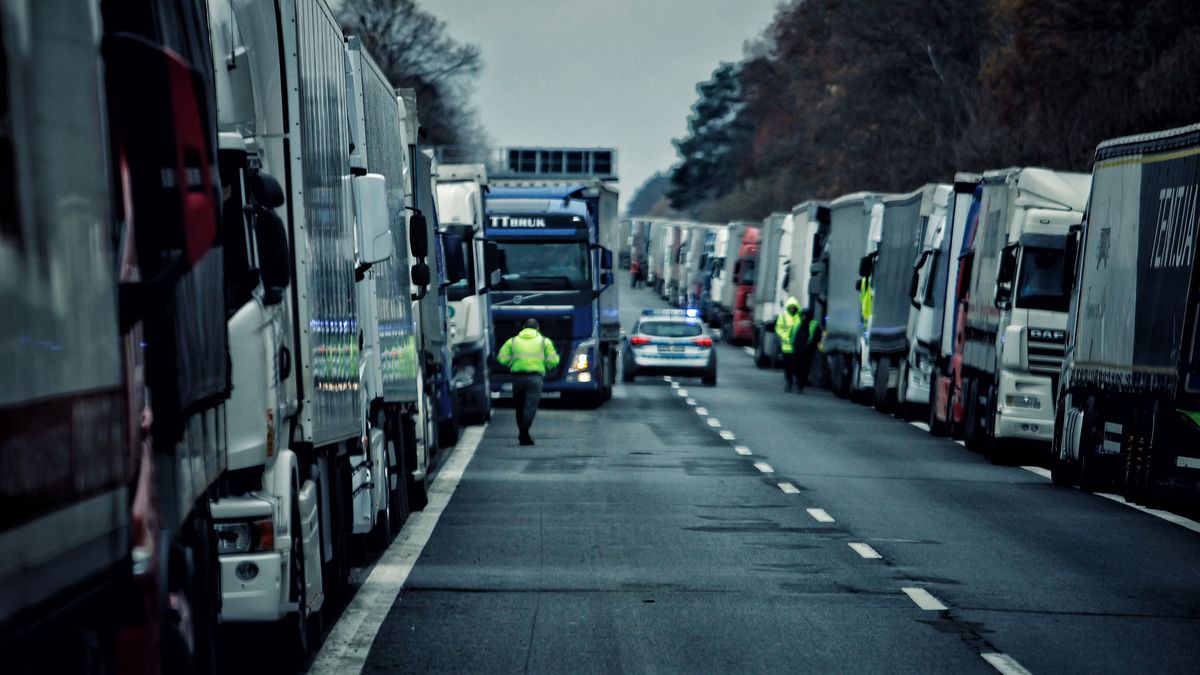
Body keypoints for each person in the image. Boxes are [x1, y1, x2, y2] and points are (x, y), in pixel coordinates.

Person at [497, 318, 560, 445]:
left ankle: (523, 432)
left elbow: (502, 359)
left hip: (517, 378)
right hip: (535, 379)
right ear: (537, 328)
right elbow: (553, 361)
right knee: (530, 407)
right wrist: (547, 366)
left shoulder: (513, 341)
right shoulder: (544, 341)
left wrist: (511, 363)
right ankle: (524, 432)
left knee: (519, 407)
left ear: (523, 328)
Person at [774, 297, 804, 392]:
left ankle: (798, 385)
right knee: (788, 367)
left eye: (794, 307)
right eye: (790, 307)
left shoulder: (800, 317)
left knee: (797, 367)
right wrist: (785, 337)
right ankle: (789, 384)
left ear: (797, 307)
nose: (792, 309)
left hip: (797, 347)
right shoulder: (783, 316)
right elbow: (778, 328)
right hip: (787, 347)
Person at [794, 308, 821, 391]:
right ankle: (799, 382)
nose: (803, 317)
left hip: (808, 351)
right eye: (802, 315)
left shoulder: (814, 325)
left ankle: (801, 384)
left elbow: (817, 338)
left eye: (804, 315)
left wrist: (811, 347)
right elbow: (795, 336)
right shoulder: (799, 324)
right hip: (799, 350)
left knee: (805, 368)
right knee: (798, 367)